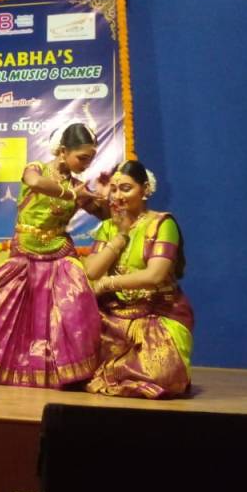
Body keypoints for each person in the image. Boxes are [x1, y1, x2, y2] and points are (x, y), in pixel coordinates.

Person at [0, 123, 105, 387]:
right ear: (63, 151)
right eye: (82, 158)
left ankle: (64, 371)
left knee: (72, 307)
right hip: (26, 251)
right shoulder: (36, 169)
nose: (86, 164)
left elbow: (104, 214)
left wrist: (107, 197)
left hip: (60, 252)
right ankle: (14, 367)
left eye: (90, 159)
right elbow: (34, 183)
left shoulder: (79, 187)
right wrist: (72, 193)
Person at [83, 160, 194, 399]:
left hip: (157, 312)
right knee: (76, 358)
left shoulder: (162, 224)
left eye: (126, 188)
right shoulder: (110, 227)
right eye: (114, 189)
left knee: (161, 374)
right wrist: (121, 237)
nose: (117, 196)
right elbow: (91, 271)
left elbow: (155, 275)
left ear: (145, 189)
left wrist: (108, 284)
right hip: (114, 313)